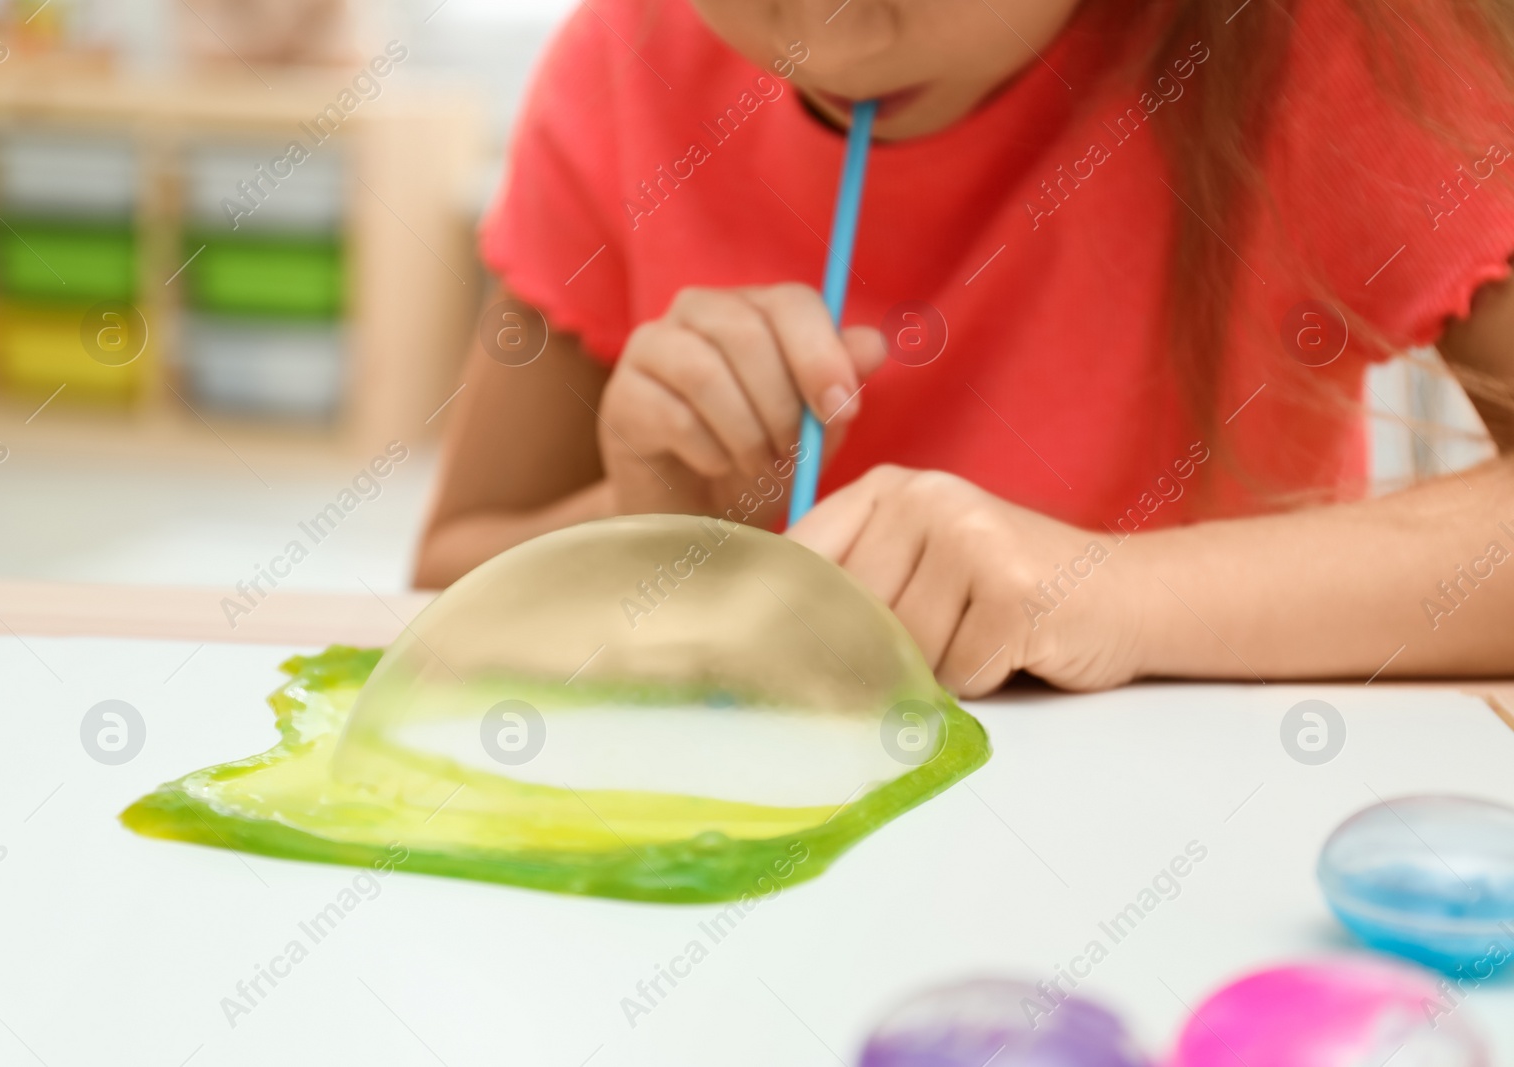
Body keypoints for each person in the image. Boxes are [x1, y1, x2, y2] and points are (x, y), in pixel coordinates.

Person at [414, 0, 1514, 695]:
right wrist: (661, 528)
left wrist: (1109, 593)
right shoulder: (624, 56)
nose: (824, 34)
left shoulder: (1324, 37)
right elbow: (449, 576)